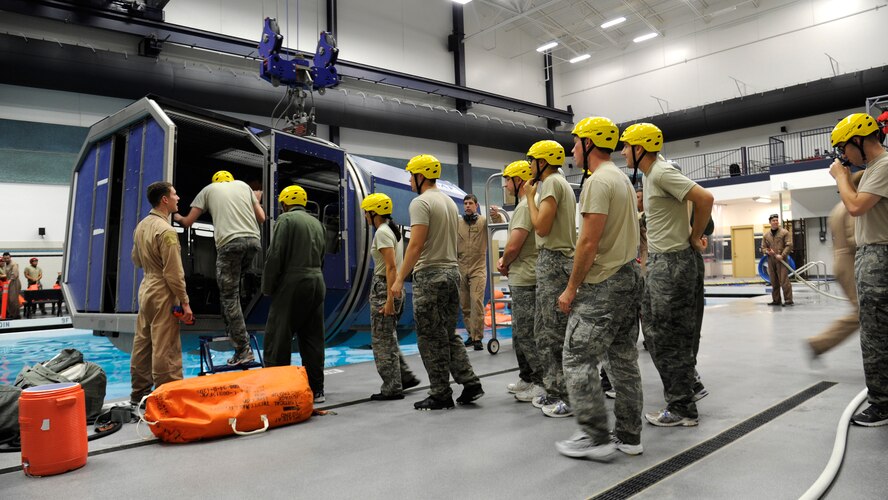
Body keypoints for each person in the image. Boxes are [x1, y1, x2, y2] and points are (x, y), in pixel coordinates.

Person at [553, 117, 643, 459]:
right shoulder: (619, 178)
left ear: (589, 144)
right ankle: (629, 437)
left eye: (576, 142)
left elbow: (588, 243)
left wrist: (571, 288)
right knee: (622, 359)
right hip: (627, 277)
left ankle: (596, 437)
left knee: (576, 357)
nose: (572, 149)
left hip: (603, 283)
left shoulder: (597, 182)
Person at [621, 123, 714, 427]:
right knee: (663, 334)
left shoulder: (660, 172)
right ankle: (686, 392)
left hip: (672, 263)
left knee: (666, 336)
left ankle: (682, 406)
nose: (622, 152)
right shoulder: (651, 177)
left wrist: (694, 235)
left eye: (626, 146)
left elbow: (705, 199)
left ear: (641, 148)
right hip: (664, 263)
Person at [391, 154, 484, 410]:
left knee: (430, 337)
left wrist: (399, 278)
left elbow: (417, 244)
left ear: (421, 176)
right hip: (452, 273)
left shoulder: (420, 203)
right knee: (447, 333)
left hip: (430, 275)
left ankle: (440, 393)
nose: (409, 179)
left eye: (411, 174)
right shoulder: (448, 202)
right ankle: (470, 382)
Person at [829, 112, 888, 426]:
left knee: (875, 334)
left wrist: (840, 176)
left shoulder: (883, 166)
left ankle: (882, 405)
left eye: (844, 148)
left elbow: (854, 206)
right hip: (875, 254)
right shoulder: (875, 169)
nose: (844, 156)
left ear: (859, 141)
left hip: (879, 257)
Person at [175, 170, 266, 366]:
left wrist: (175, 215)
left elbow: (188, 222)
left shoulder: (208, 190)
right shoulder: (244, 186)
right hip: (253, 243)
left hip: (230, 245)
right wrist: (256, 200)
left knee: (229, 295)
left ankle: (243, 349)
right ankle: (233, 328)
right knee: (233, 289)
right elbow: (262, 218)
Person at [525, 139, 576, 417]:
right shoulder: (555, 183)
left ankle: (566, 395)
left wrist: (528, 199)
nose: (529, 165)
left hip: (554, 262)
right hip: (551, 262)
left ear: (542, 162)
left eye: (532, 160)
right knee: (544, 330)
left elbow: (542, 227)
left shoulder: (552, 184)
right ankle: (555, 389)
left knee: (554, 332)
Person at [262, 185, 327, 403]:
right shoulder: (318, 224)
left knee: (278, 336)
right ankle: (317, 389)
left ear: (284, 203)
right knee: (312, 337)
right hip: (317, 282)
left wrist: (268, 287)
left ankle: (278, 389)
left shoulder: (286, 220)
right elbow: (323, 256)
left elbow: (275, 255)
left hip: (293, 282)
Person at [130, 181, 193, 406]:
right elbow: (174, 273)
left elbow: (136, 259)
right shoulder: (166, 231)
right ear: (164, 200)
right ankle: (169, 397)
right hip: (162, 290)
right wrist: (184, 302)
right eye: (175, 195)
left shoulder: (141, 226)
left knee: (143, 343)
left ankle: (139, 394)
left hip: (146, 286)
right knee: (165, 346)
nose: (178, 198)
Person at [361, 193, 421, 400]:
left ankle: (392, 387)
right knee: (388, 337)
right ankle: (403, 377)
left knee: (382, 342)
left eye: (367, 213)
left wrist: (388, 301)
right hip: (389, 287)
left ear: (374, 212)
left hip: (384, 288)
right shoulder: (390, 231)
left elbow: (391, 268)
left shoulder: (382, 233)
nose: (365, 217)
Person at [495, 161, 544, 403]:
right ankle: (527, 376)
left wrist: (503, 261)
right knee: (519, 333)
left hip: (527, 278)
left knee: (527, 333)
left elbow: (514, 244)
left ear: (519, 180)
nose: (504, 184)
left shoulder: (526, 207)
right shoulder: (523, 206)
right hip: (520, 276)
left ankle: (540, 381)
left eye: (508, 179)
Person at [807, 198, 859, 358]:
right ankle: (820, 342)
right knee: (864, 311)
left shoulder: (839, 207)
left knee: (867, 310)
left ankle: (820, 343)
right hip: (850, 260)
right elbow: (855, 239)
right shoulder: (853, 207)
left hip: (841, 259)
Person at [458, 194, 503, 350]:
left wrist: (496, 215)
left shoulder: (483, 221)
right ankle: (471, 335)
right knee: (464, 305)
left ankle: (478, 338)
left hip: (478, 268)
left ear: (476, 205)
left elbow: (499, 224)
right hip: (461, 267)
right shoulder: (458, 223)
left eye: (470, 203)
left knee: (476, 301)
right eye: (465, 203)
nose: (468, 206)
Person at [761, 214, 794, 306]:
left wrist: (782, 255)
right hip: (771, 260)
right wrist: (767, 252)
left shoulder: (784, 232)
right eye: (773, 220)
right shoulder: (766, 235)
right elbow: (763, 247)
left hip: (781, 260)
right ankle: (776, 300)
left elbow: (789, 245)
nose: (775, 222)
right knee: (773, 281)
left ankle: (788, 300)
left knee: (784, 280)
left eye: (776, 220)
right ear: (770, 222)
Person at [1, 252, 22, 320]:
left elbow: (15, 274)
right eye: (5, 258)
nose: (6, 259)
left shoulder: (14, 264)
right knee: (8, 300)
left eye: (8, 258)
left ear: (10, 257)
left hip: (14, 282)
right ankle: (10, 313)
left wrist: (9, 281)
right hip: (7, 283)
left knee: (13, 300)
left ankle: (16, 315)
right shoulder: (4, 265)